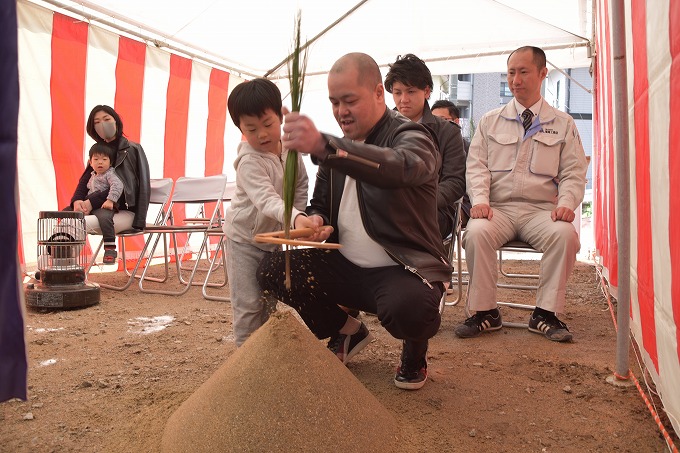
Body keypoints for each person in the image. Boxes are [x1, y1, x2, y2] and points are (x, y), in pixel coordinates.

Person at [257, 52, 451, 390]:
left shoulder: (412, 136)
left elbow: (398, 166)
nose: (341, 111)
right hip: (345, 265)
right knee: (274, 269)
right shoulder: (336, 147)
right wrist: (316, 221)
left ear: (379, 93)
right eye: (334, 102)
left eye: (349, 100)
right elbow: (321, 205)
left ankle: (415, 349)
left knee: (411, 309)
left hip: (401, 270)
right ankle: (348, 331)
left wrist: (324, 145)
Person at [455, 46, 588, 342]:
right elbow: (476, 167)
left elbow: (573, 172)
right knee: (475, 232)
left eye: (523, 71)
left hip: (542, 211)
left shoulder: (562, 123)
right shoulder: (490, 121)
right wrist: (480, 201)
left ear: (542, 74)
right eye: (511, 72)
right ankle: (485, 312)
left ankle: (545, 314)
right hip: (497, 209)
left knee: (566, 236)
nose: (515, 79)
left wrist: (566, 204)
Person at [223, 78, 312, 347]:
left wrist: (297, 224)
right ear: (240, 127)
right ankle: (244, 365)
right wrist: (295, 217)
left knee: (268, 305)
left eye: (268, 124)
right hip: (244, 242)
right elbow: (266, 200)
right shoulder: (249, 161)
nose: (261, 134)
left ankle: (265, 359)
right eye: (251, 128)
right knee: (249, 306)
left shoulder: (291, 151)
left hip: (273, 241)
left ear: (280, 116)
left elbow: (300, 184)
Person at [384, 54, 466, 240]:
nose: (403, 99)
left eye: (411, 91)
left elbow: (455, 181)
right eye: (398, 92)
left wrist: (420, 201)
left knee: (406, 220)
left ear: (427, 91)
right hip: (386, 207)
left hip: (432, 211)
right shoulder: (379, 130)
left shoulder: (448, 132)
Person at [67, 105, 151, 264]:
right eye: (97, 122)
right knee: (65, 220)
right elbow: (85, 180)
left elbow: (138, 187)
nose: (102, 125)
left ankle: (66, 271)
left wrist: (139, 222)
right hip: (97, 209)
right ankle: (58, 268)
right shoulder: (97, 151)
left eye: (106, 119)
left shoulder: (133, 149)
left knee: (74, 224)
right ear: (93, 128)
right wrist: (77, 200)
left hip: (125, 211)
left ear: (116, 122)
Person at [70, 143, 124, 263]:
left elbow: (118, 185)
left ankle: (110, 248)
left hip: (105, 204)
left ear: (110, 162)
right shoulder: (92, 175)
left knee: (105, 217)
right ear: (90, 162)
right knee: (66, 212)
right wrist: (82, 204)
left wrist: (111, 200)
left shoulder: (110, 174)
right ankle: (64, 242)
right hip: (91, 204)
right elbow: (86, 189)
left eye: (104, 159)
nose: (100, 162)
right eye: (96, 159)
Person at [431, 99, 472, 227]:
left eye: (443, 120)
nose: (438, 126)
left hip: (462, 204)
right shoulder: (428, 146)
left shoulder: (470, 149)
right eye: (434, 122)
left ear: (456, 121)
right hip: (436, 202)